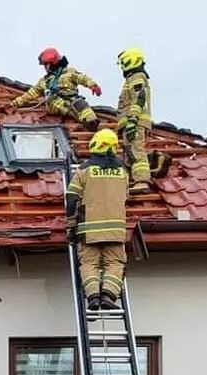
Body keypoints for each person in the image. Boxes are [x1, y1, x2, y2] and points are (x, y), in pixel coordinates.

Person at [65, 129, 129, 310]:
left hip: (88, 230)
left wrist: (70, 227)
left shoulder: (83, 171)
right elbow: (125, 196)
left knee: (89, 263)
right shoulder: (123, 173)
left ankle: (93, 297)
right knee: (115, 263)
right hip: (116, 231)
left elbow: (71, 199)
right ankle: (108, 295)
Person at [9, 48, 102, 130]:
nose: (45, 67)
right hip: (54, 101)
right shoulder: (44, 81)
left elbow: (82, 78)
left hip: (72, 98)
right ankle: (80, 117)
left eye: (46, 64)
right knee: (64, 104)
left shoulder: (69, 72)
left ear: (53, 62)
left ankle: (91, 122)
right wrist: (13, 104)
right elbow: (29, 95)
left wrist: (93, 85)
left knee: (81, 104)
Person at [116, 48, 153, 194]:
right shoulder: (132, 78)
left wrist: (132, 119)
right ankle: (133, 180)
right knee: (130, 153)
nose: (122, 66)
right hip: (131, 123)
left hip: (135, 122)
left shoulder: (136, 77)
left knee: (137, 151)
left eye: (123, 62)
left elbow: (139, 98)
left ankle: (142, 181)